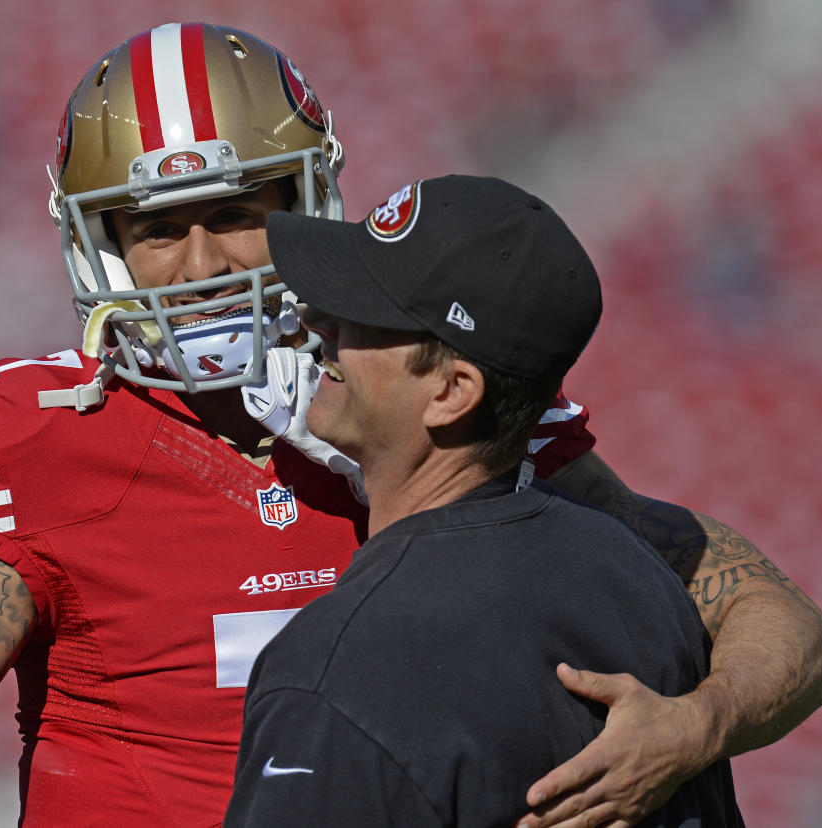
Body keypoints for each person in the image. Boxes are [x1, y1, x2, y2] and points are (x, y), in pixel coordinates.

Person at [0, 22, 822, 828]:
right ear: (99, 245)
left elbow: (788, 626)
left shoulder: (427, 412)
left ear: (308, 202)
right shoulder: (41, 435)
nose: (200, 266)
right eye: (157, 230)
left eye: (236, 214)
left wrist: (700, 724)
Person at [225, 173, 746, 827]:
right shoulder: (640, 575)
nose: (316, 324)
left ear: (452, 391)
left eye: (361, 313)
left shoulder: (338, 667)